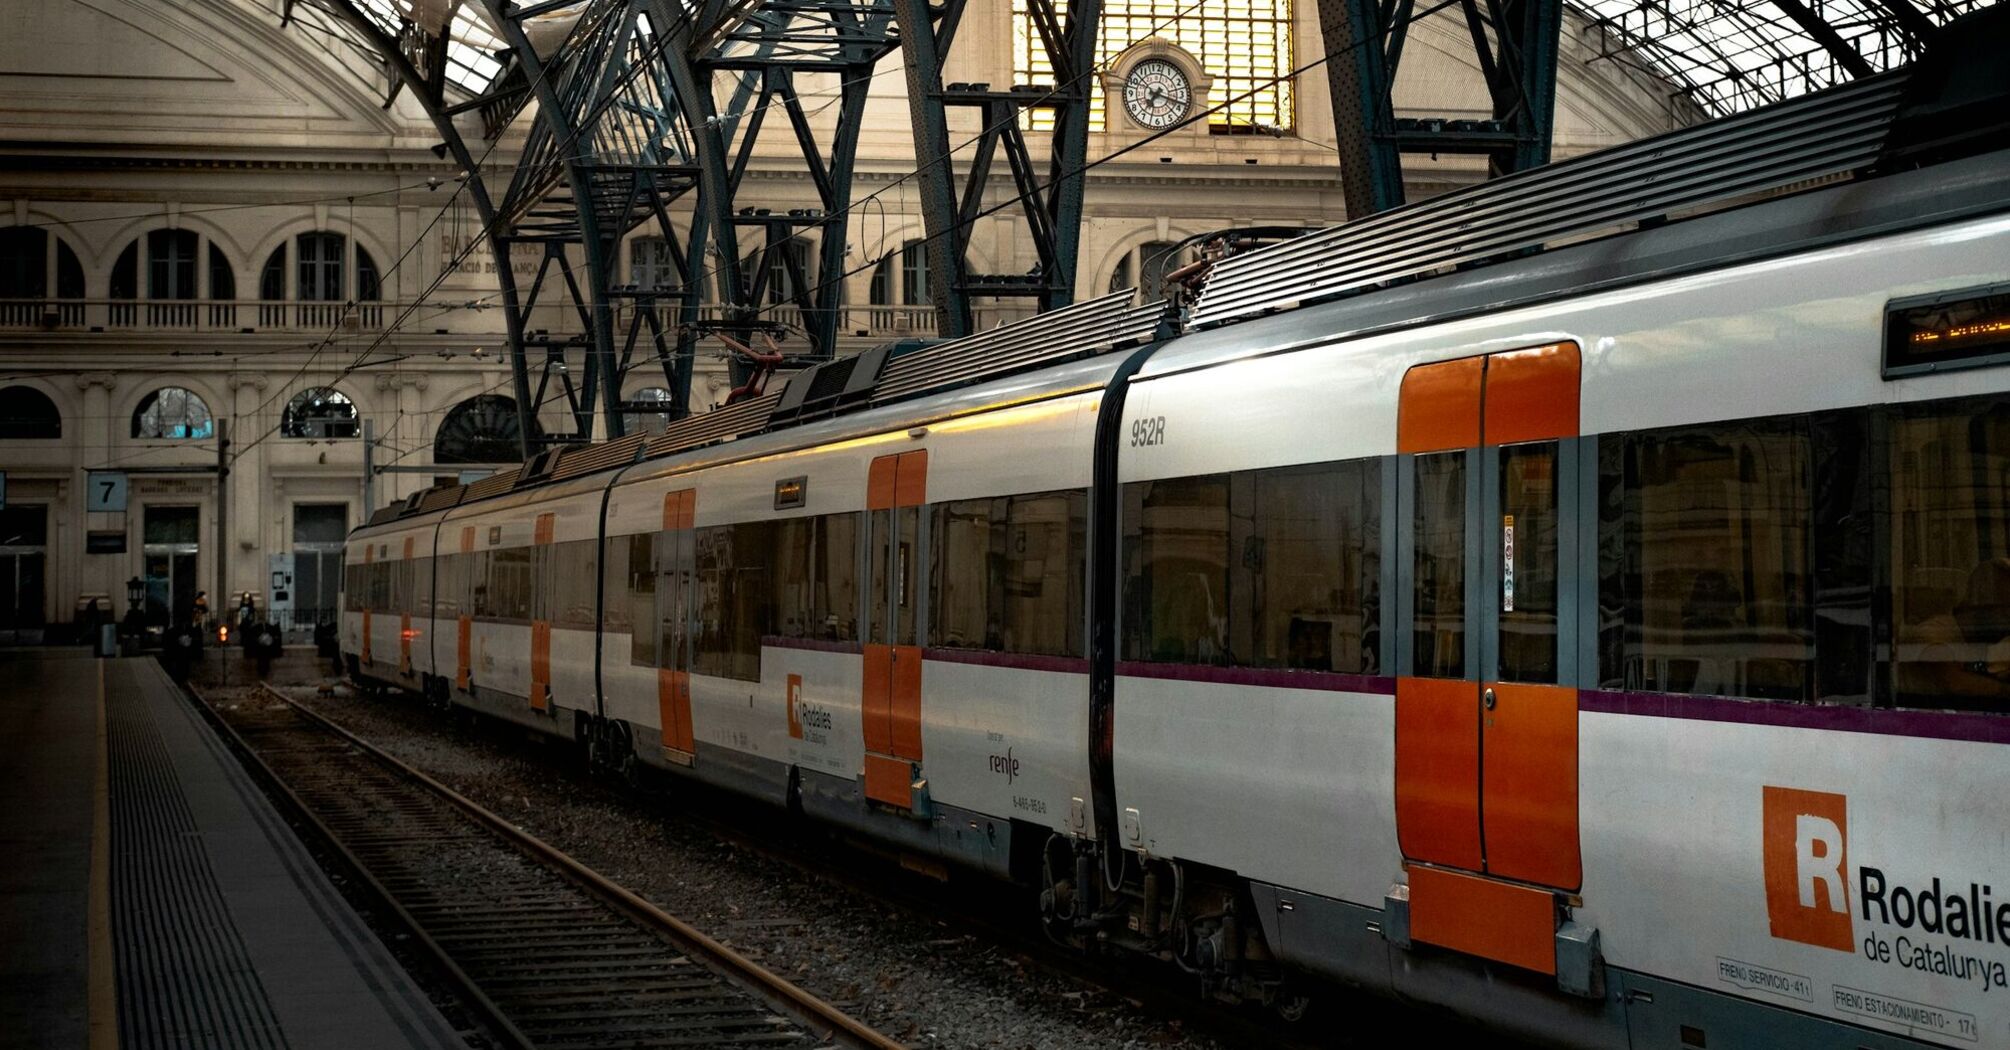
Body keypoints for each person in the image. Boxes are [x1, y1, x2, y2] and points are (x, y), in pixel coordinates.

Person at [1900, 557, 2010, 709]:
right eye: (2004, 608)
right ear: (1980, 600)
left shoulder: (1981, 638)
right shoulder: (1932, 633)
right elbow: (1955, 683)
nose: (2007, 617)